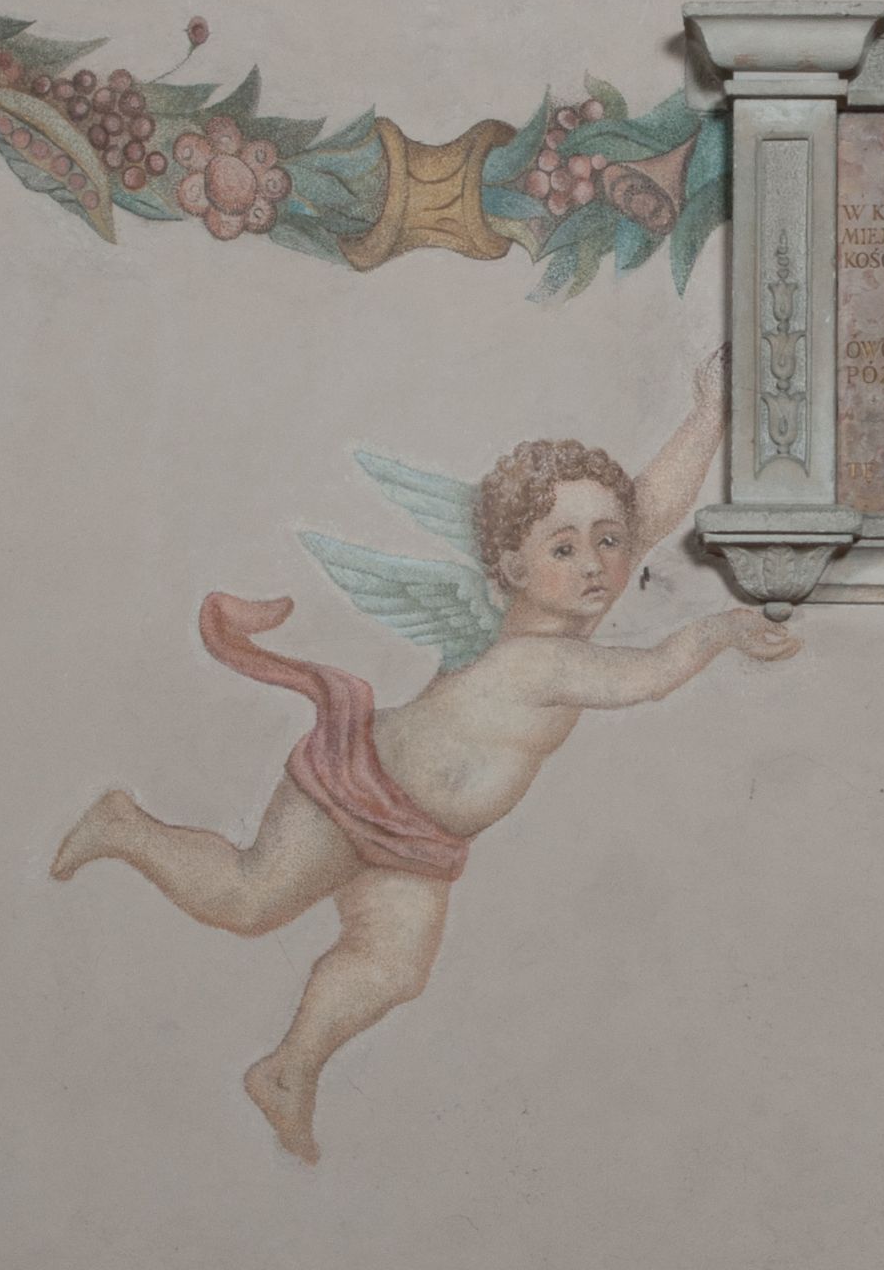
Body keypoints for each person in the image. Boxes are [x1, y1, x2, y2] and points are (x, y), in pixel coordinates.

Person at [51, 351, 797, 1159]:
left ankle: (287, 1070)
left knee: (393, 966)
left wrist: (709, 414)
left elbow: (650, 504)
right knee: (249, 899)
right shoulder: (540, 660)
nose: (595, 563)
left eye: (608, 543)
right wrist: (723, 629)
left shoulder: (567, 610)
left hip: (419, 838)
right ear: (510, 568)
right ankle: (124, 824)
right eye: (564, 548)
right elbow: (647, 676)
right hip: (356, 786)